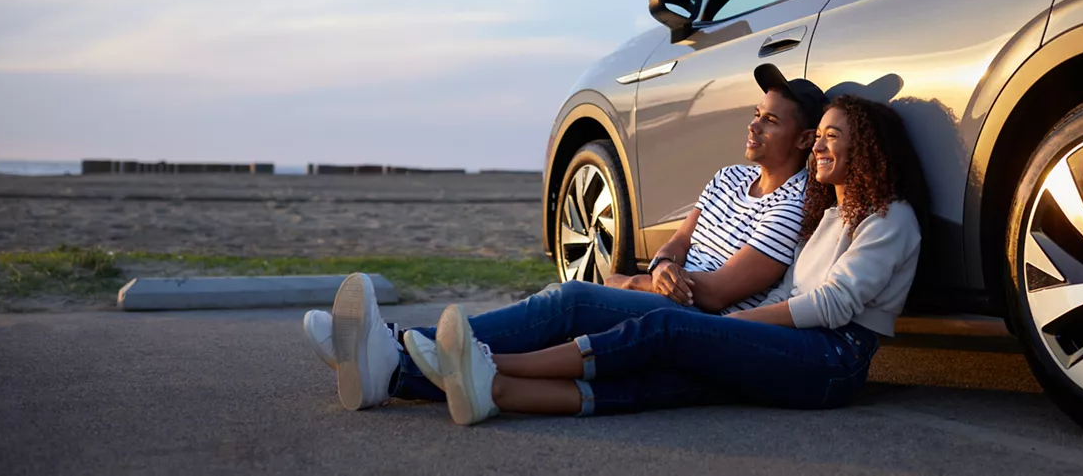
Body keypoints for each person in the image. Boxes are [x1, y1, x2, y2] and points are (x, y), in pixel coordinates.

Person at [312, 64, 829, 410]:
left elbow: (716, 293)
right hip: (671, 298)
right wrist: (663, 265)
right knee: (562, 313)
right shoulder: (728, 178)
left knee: (569, 301)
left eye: (771, 122)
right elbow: (680, 241)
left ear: (804, 139)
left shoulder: (794, 202)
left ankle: (392, 347)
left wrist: (633, 283)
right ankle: (394, 362)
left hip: (705, 324)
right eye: (756, 115)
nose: (754, 127)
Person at [417, 94, 930, 424]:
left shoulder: (891, 219)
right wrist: (732, 329)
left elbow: (834, 306)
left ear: (866, 149)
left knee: (667, 331)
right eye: (817, 136)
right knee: (670, 381)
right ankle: (498, 391)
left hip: (833, 361)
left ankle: (487, 363)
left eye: (831, 137)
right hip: (798, 344)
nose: (819, 146)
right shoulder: (831, 216)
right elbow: (787, 292)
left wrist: (735, 325)